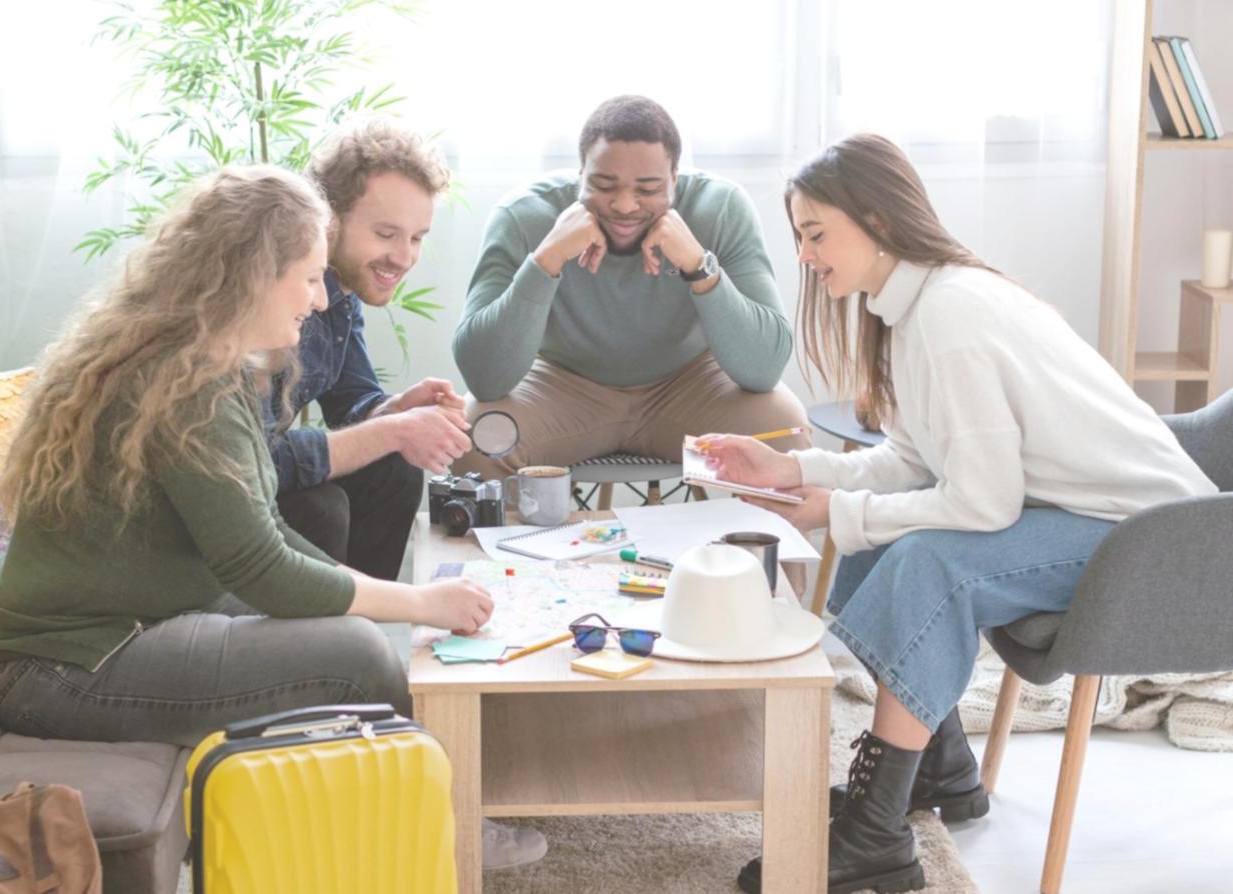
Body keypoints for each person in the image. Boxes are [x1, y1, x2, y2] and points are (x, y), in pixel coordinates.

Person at [0, 166, 547, 870]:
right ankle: (444, 832)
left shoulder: (206, 363)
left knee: (350, 625)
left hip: (117, 626)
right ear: (251, 275)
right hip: (61, 667)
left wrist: (387, 598)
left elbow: (263, 527)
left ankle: (374, 820)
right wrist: (419, 603)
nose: (321, 296)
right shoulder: (187, 388)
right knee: (360, 655)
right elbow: (262, 569)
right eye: (309, 277)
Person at [698, 134, 1217, 894]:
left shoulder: (951, 316)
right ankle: (938, 766)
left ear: (876, 220)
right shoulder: (916, 308)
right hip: (1099, 519)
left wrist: (839, 509)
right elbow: (912, 462)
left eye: (815, 234)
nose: (804, 256)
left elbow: (982, 502)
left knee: (926, 557)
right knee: (881, 538)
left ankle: (876, 836)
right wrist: (794, 469)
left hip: (1160, 542)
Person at [451, 95, 811, 481]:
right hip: (565, 385)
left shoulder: (720, 208)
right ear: (581, 173)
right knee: (478, 438)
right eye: (604, 185)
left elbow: (764, 369)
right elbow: (484, 377)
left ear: (675, 178)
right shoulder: (523, 215)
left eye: (648, 189)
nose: (624, 206)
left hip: (687, 386)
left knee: (785, 433)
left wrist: (698, 266)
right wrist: (546, 259)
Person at [266, 118, 471, 580]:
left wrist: (397, 410)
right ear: (328, 220)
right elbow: (248, 460)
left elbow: (351, 405)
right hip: (216, 494)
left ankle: (368, 619)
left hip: (259, 471)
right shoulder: (272, 297)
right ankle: (338, 621)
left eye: (416, 238)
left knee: (395, 467)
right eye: (386, 234)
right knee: (321, 509)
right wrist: (395, 429)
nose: (404, 257)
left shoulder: (339, 292)